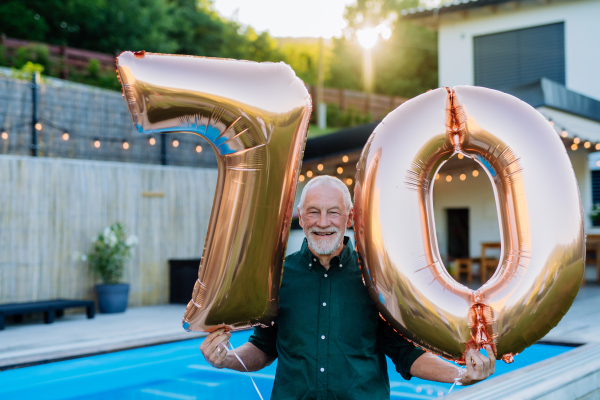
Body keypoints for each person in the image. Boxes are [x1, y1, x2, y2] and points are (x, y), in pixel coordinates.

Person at [200, 175, 495, 399]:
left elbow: (406, 353)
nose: (323, 222)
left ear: (350, 217)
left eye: (334, 212)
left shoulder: (377, 277)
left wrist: (460, 374)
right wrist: (226, 358)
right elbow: (263, 349)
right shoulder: (277, 277)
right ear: (300, 218)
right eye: (313, 212)